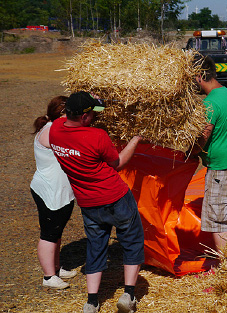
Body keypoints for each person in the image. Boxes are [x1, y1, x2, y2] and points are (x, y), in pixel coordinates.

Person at [49, 91, 145, 313]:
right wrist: (136, 139)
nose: (94, 117)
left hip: (88, 203)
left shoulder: (55, 130)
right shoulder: (97, 136)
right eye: (92, 113)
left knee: (95, 247)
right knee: (131, 241)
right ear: (83, 117)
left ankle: (91, 302)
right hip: (116, 197)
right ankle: (128, 295)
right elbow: (117, 162)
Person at [189, 56, 227, 254]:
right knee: (222, 215)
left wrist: (191, 151)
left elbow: (204, 136)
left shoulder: (210, 104)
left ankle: (226, 269)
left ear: (199, 76)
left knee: (217, 220)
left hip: (223, 168)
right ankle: (225, 263)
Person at [30, 96, 77, 290]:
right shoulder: (50, 131)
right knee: (49, 234)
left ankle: (56, 268)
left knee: (57, 231)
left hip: (58, 190)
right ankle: (49, 276)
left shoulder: (54, 128)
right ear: (63, 114)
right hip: (49, 190)